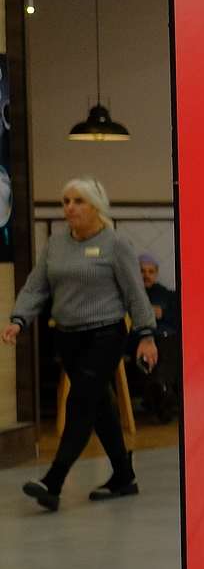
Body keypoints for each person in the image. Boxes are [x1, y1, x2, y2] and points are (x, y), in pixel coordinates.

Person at [2, 179, 158, 510]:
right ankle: (123, 475)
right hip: (68, 337)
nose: (69, 207)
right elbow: (36, 287)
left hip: (106, 335)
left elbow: (135, 293)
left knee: (81, 401)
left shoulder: (115, 244)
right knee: (98, 405)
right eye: (65, 201)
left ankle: (53, 481)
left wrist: (146, 335)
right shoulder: (56, 245)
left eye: (78, 201)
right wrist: (19, 320)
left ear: (96, 207)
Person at [132, 253, 181, 423]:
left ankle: (161, 390)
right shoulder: (132, 295)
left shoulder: (166, 295)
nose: (146, 275)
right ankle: (163, 393)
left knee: (169, 347)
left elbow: (178, 319)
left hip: (168, 338)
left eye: (150, 271)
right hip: (143, 339)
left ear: (156, 273)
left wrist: (163, 313)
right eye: (142, 271)